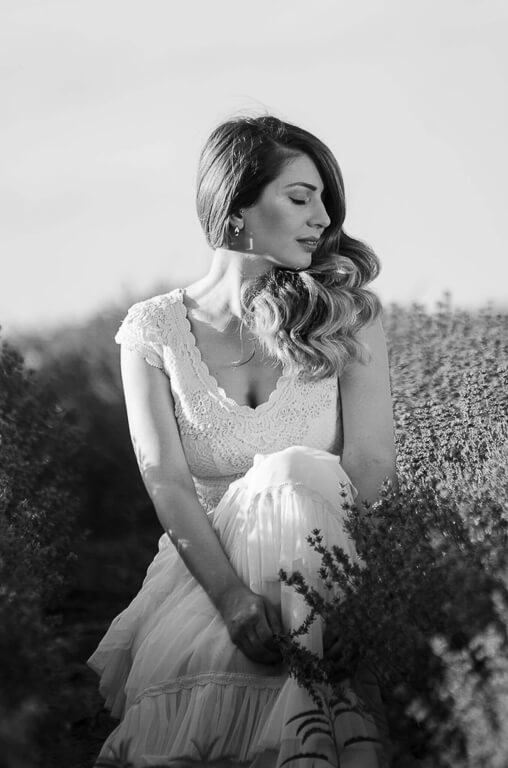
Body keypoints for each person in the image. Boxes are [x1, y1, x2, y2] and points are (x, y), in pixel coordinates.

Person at [88, 114, 398, 768]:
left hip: (329, 564)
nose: (322, 217)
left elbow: (369, 464)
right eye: (299, 196)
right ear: (236, 211)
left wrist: (347, 596)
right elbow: (165, 480)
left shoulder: (349, 314)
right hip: (209, 574)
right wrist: (232, 600)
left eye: (324, 198)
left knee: (296, 475)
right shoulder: (154, 330)